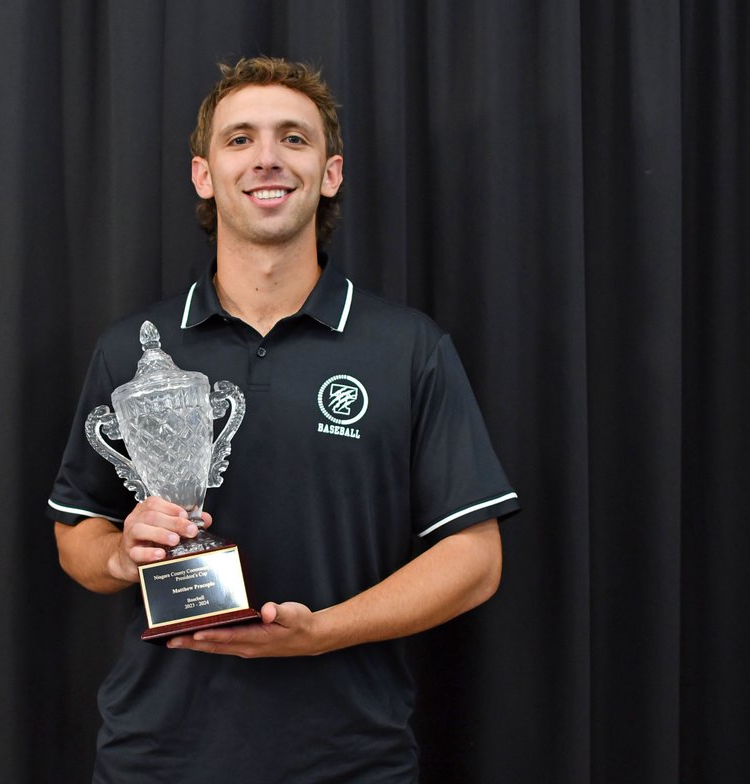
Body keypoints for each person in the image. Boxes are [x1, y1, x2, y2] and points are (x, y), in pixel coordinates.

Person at [48, 57, 519, 783]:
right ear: (204, 174)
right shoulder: (133, 348)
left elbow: (477, 561)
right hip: (158, 758)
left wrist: (321, 634)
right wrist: (118, 556)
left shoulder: (407, 347)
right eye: (240, 139)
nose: (267, 157)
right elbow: (77, 529)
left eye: (292, 139)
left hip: (349, 760)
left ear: (330, 172)